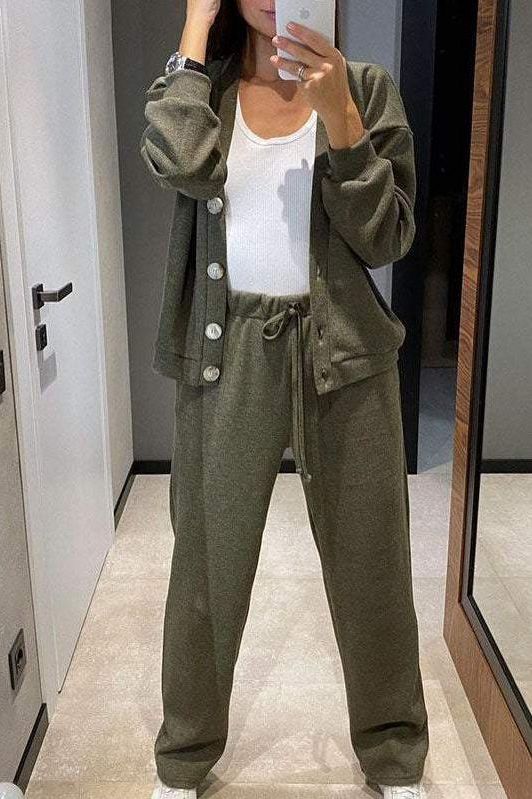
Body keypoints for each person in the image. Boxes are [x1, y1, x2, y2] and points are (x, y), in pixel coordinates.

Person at [140, 2, 430, 798]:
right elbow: (179, 160)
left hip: (346, 354)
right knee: (206, 563)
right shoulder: (203, 92)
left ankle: (394, 755)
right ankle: (184, 756)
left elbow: (387, 238)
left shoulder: (365, 89)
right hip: (226, 351)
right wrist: (194, 27)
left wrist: (342, 121)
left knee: (372, 560)